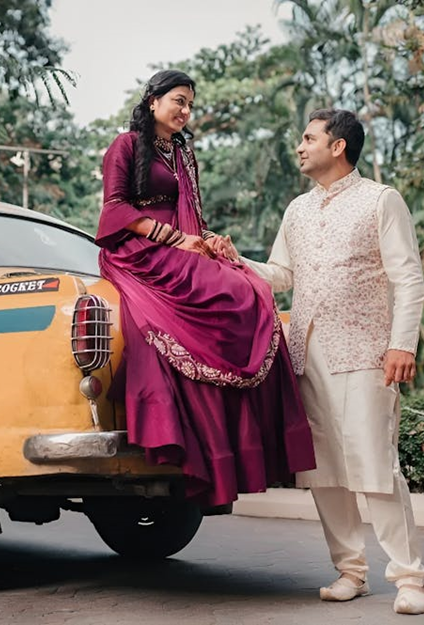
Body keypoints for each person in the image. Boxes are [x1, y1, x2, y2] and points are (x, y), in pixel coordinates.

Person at [234, 109, 424, 615]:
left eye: (308, 138)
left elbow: (407, 277)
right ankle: (351, 572)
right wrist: (234, 260)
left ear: (338, 146)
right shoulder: (297, 209)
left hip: (367, 350)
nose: (299, 147)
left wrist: (402, 343)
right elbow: (281, 274)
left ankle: (411, 580)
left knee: (375, 466)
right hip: (306, 353)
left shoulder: (381, 200)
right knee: (324, 471)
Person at [95, 69, 316, 509]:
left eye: (190, 104)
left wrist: (208, 241)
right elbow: (115, 209)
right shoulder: (125, 146)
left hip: (184, 250)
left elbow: (193, 214)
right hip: (137, 251)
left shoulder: (182, 154)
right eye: (178, 100)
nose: (185, 111)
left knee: (251, 288)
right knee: (233, 293)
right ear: (153, 100)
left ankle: (242, 441)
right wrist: (176, 240)